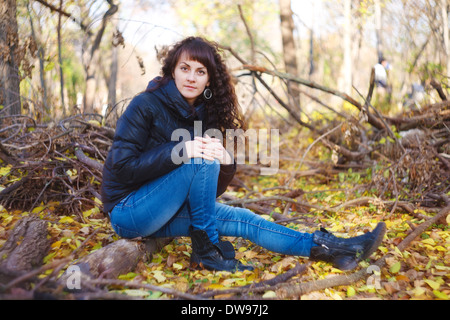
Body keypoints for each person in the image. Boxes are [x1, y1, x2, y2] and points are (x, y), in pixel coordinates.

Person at [101, 36, 386, 272]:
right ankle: (207, 250)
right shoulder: (145, 105)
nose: (191, 77)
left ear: (209, 80)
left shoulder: (203, 113)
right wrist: (182, 150)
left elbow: (204, 194)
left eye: (200, 72)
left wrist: (225, 163)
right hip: (128, 211)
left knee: (246, 218)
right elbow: (123, 167)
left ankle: (332, 249)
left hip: (167, 209)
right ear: (172, 70)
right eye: (185, 68)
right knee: (201, 158)